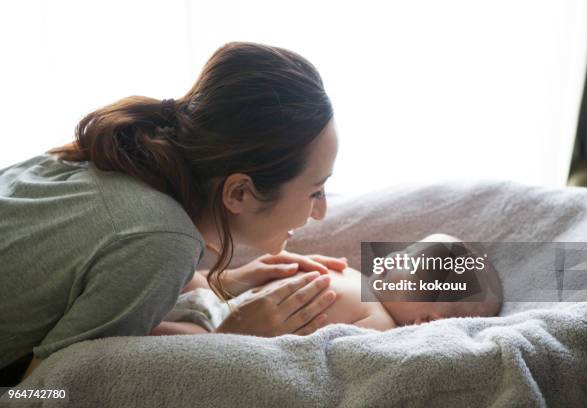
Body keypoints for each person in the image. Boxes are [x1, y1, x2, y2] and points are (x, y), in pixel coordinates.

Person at [0, 42, 348, 386]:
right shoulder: (161, 240)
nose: (321, 211)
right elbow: (43, 390)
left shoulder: (121, 157)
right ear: (239, 192)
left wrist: (221, 281)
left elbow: (99, 264)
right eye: (316, 191)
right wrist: (232, 340)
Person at [172, 234, 503, 332]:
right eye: (404, 249)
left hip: (219, 330)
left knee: (152, 337)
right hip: (219, 302)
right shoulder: (362, 282)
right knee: (179, 271)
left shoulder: (379, 325)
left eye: (408, 264)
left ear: (427, 319)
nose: (392, 258)